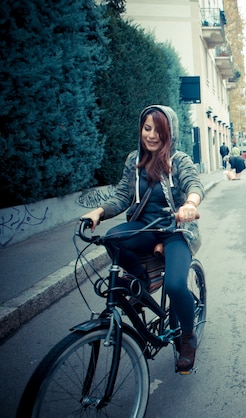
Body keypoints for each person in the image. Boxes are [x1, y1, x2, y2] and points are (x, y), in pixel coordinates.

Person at [81, 105, 204, 373]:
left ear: (169, 133)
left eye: (158, 131)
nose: (151, 136)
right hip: (144, 229)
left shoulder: (179, 160)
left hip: (175, 230)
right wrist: (99, 212)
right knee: (112, 239)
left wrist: (190, 205)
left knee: (174, 285)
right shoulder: (133, 161)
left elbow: (194, 185)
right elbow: (122, 197)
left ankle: (187, 336)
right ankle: (143, 279)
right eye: (147, 128)